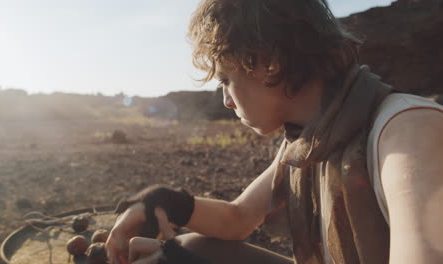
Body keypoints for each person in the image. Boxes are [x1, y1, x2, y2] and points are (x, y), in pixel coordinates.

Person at [105, 0, 443, 263]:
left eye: (226, 80)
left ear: (269, 61)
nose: (225, 101)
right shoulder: (307, 141)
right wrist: (164, 202)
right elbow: (237, 219)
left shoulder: (407, 134)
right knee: (192, 249)